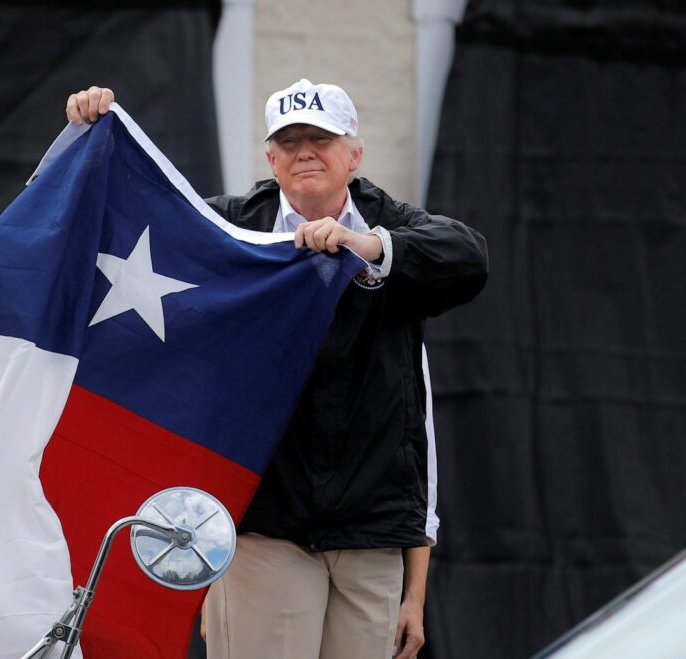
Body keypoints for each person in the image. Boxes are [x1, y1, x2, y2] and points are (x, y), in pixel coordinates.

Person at [67, 81, 488, 659]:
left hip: (371, 532)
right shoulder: (231, 226)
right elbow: (129, 219)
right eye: (289, 141)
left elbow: (468, 257)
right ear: (270, 158)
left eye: (321, 138)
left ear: (354, 155)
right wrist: (92, 137)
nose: (305, 151)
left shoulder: (389, 223)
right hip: (266, 528)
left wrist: (364, 247)